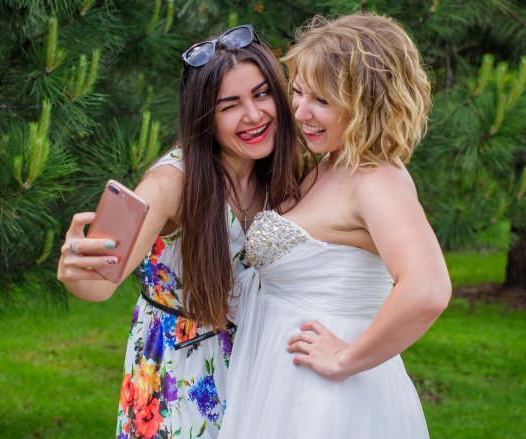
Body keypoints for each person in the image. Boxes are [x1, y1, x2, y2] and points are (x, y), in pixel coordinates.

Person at [56, 24, 302, 439]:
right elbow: (100, 284)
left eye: (261, 94)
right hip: (177, 372)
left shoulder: (277, 173)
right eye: (230, 105)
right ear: (205, 117)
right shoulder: (172, 183)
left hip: (253, 362)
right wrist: (78, 268)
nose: (254, 115)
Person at [219, 13, 451, 439]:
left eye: (322, 101)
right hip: (279, 376)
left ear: (368, 104)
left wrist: (345, 359)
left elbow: (428, 289)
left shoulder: (377, 180)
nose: (300, 111)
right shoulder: (329, 162)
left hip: (323, 397)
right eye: (298, 91)